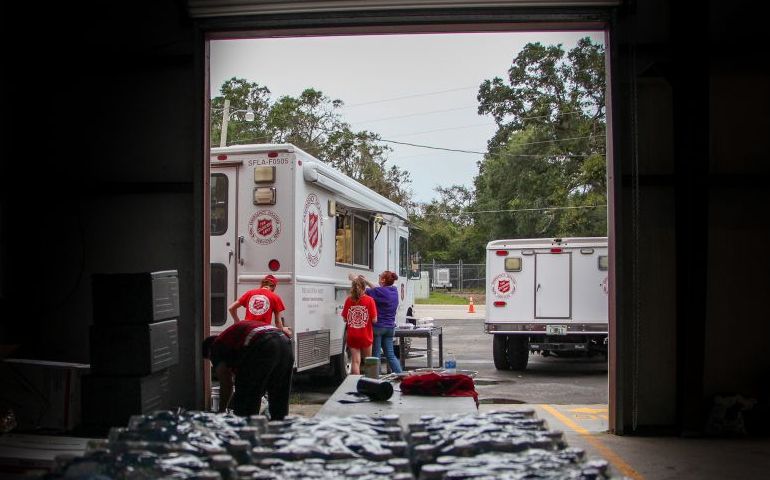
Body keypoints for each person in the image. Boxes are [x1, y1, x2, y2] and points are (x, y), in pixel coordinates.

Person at [202, 320, 294, 419]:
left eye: (211, 360)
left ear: (209, 352)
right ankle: (280, 429)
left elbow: (226, 383)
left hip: (263, 343)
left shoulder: (217, 345)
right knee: (279, 398)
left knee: (245, 401)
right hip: (285, 342)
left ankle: (247, 431)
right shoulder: (232, 339)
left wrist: (221, 411)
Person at [351, 271, 403, 374]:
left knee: (376, 355)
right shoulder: (393, 291)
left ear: (383, 280)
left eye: (380, 276)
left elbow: (363, 290)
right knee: (390, 355)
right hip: (390, 328)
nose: (378, 277)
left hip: (378, 327)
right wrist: (366, 280)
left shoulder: (380, 292)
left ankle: (375, 377)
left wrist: (355, 279)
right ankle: (401, 375)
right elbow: (376, 289)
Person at [341, 276, 377, 375]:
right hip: (365, 335)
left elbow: (344, 318)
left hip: (352, 335)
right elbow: (374, 320)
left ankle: (355, 383)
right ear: (364, 288)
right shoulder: (370, 300)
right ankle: (370, 382)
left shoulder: (348, 300)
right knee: (368, 360)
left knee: (355, 361)